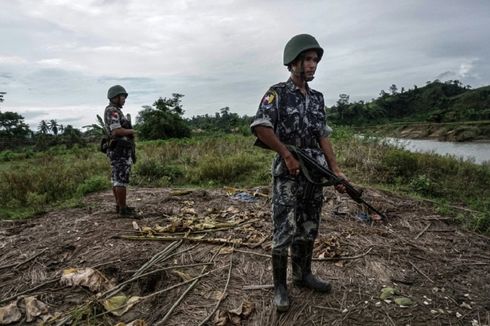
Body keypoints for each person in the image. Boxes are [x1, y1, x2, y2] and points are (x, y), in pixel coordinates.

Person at [250, 34, 347, 312]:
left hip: (314, 172)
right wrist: (287, 154)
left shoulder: (317, 98)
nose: (312, 65)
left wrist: (335, 171)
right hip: (289, 171)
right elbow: (261, 127)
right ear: (293, 62)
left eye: (315, 60)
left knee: (309, 225)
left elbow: (322, 135)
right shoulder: (277, 93)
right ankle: (280, 286)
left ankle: (303, 274)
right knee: (285, 228)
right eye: (307, 59)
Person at [104, 85, 137, 217]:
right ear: (115, 97)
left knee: (116, 179)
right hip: (119, 150)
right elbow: (116, 131)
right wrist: (133, 131)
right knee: (121, 180)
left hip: (119, 149)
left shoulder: (115, 110)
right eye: (122, 97)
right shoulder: (112, 111)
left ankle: (120, 206)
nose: (124, 99)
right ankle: (123, 210)